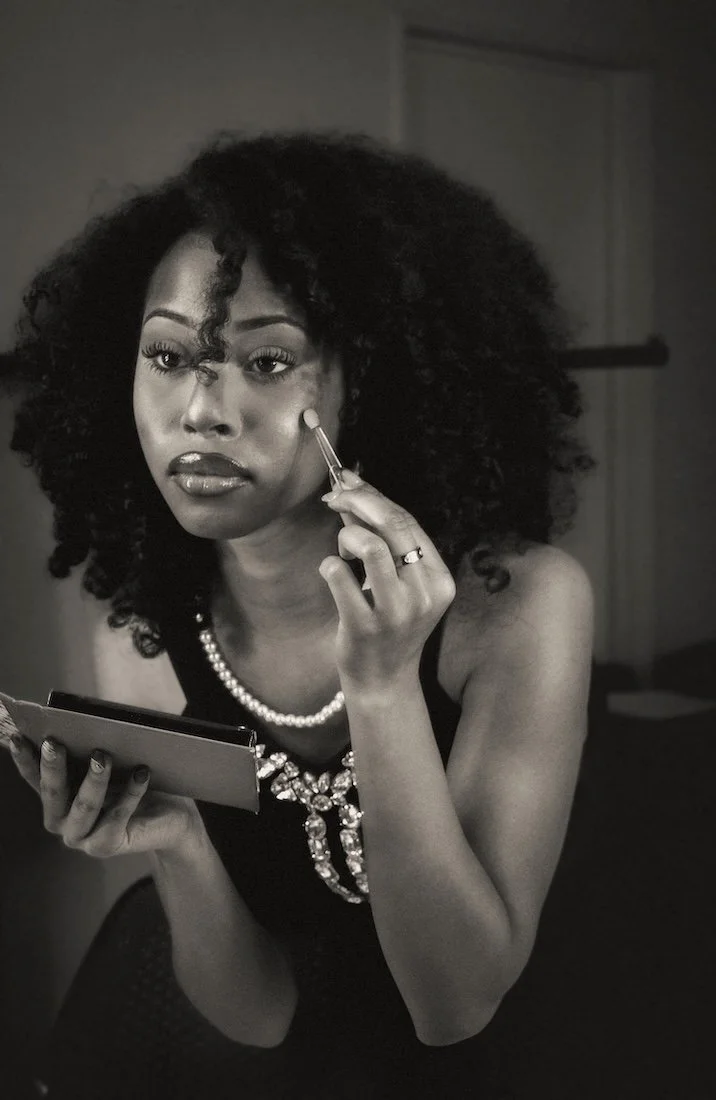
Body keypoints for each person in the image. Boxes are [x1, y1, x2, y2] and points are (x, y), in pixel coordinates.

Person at [2, 131, 594, 1098]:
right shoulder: (140, 633)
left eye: (267, 362)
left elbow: (454, 1006)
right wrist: (178, 839)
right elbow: (257, 1012)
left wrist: (380, 683)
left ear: (375, 382)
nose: (201, 409)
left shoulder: (517, 605)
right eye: (168, 354)